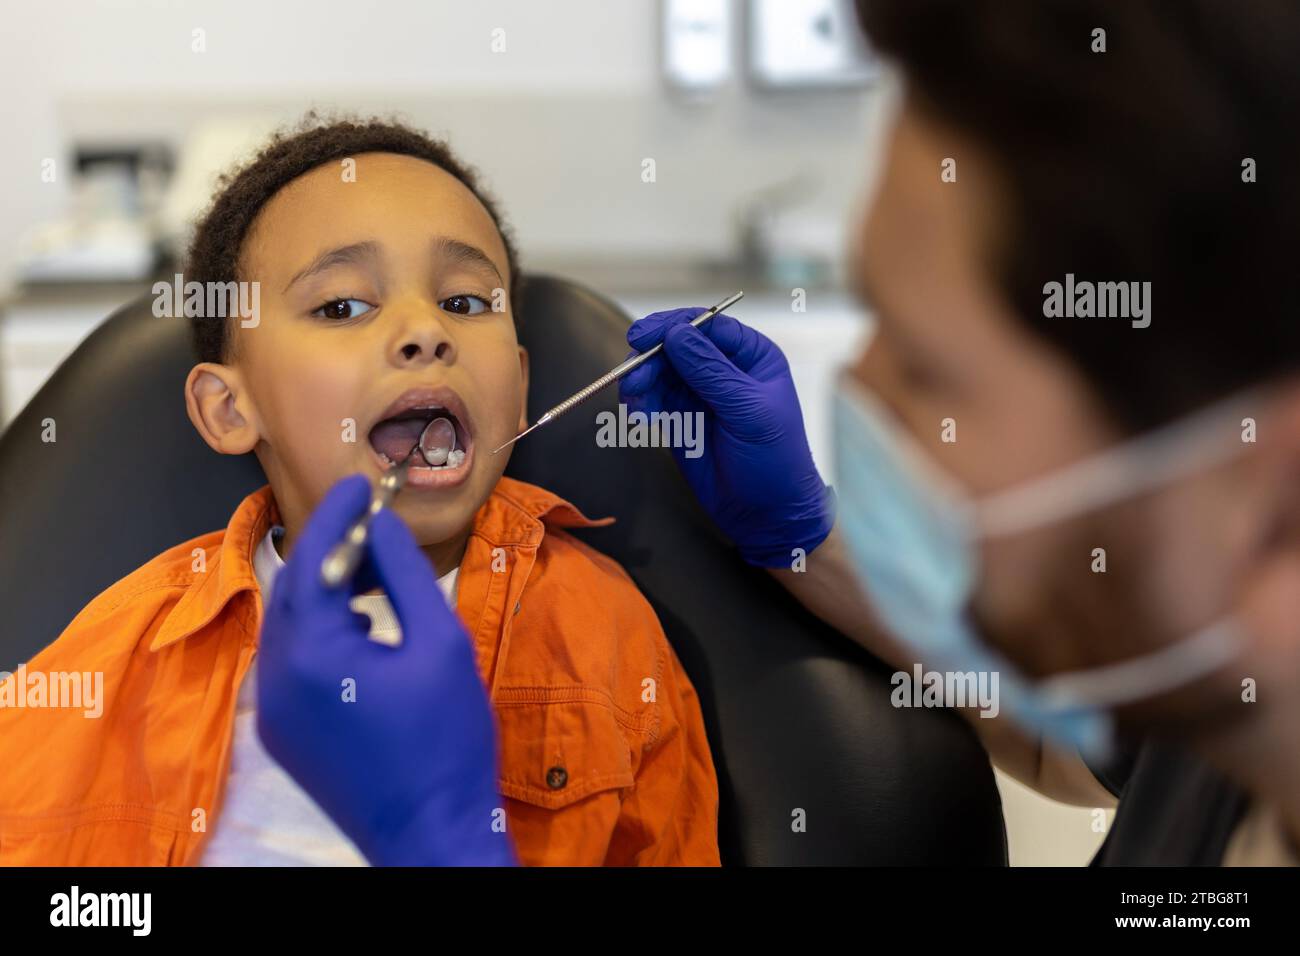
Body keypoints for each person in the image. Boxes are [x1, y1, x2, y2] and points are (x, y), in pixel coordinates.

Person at [255, 0, 1300, 866]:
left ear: (1258, 477)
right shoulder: (1210, 730)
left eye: (934, 371)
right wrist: (806, 536)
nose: (862, 395)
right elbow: (1070, 709)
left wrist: (438, 846)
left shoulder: (600, 635)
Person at [0, 116, 720, 867]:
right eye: (342, 305)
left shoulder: (603, 636)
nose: (425, 332)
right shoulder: (116, 659)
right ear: (229, 408)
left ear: (521, 385)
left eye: (467, 303)